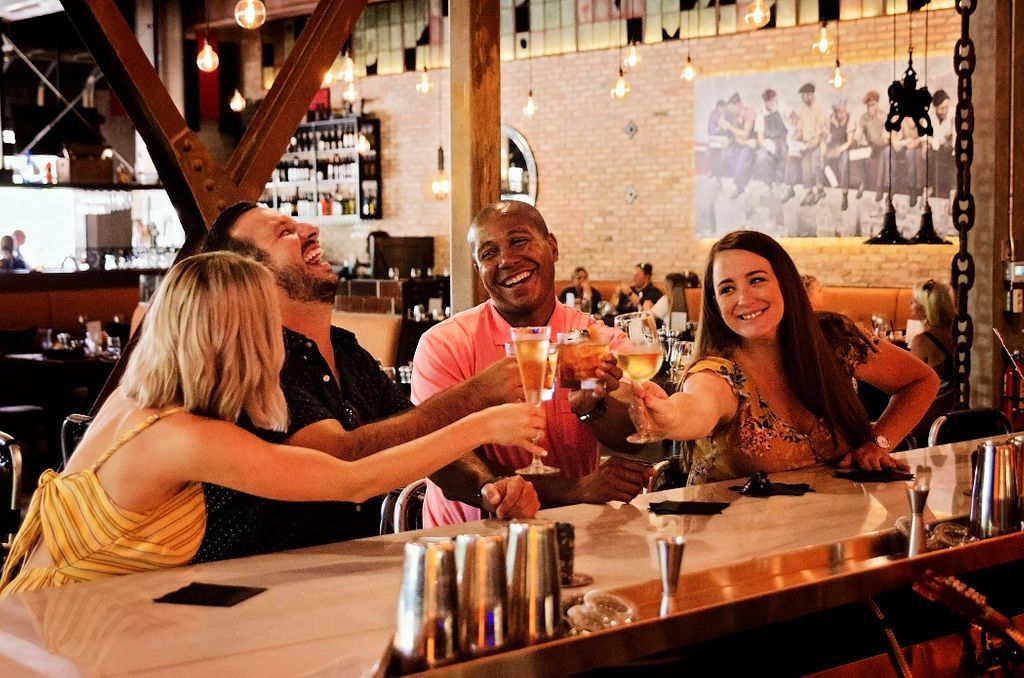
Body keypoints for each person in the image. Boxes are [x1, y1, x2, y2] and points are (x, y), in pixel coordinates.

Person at [0, 252, 544, 595]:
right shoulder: (181, 437)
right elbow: (351, 479)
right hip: (67, 629)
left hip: (54, 614)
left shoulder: (133, 402)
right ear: (244, 334)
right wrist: (480, 424)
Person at [196, 203, 539, 562]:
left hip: (337, 580)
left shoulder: (346, 350)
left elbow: (422, 441)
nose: (310, 230)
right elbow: (345, 461)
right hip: (249, 586)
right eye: (285, 232)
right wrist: (475, 398)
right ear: (253, 275)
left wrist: (487, 489)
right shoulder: (255, 362)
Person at [412, 200, 652, 527]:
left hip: (575, 537)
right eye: (488, 253)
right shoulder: (445, 344)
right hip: (468, 543)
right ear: (477, 268)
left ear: (551, 247)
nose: (507, 260)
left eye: (519, 241)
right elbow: (441, 457)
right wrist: (576, 489)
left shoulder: (594, 337)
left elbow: (629, 438)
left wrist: (591, 409)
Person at [635, 231, 939, 484]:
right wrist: (669, 417)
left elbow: (920, 380)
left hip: (831, 534)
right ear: (715, 304)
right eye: (727, 289)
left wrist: (878, 443)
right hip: (733, 546)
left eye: (756, 280)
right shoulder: (718, 371)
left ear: (785, 282)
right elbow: (698, 407)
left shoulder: (833, 337)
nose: (744, 299)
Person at [908, 279, 956, 442]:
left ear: (925, 307)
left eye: (914, 301)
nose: (910, 304)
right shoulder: (962, 334)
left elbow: (909, 386)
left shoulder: (922, 342)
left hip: (930, 423)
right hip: (959, 415)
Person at [782, 83, 828, 206]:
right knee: (790, 156)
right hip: (805, 143)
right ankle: (789, 188)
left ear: (811, 95)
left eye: (805, 95)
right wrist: (794, 139)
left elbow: (820, 135)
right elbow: (800, 131)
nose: (803, 98)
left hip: (818, 143)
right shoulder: (803, 110)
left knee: (807, 157)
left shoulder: (819, 109)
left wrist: (808, 146)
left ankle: (810, 191)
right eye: (802, 96)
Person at [721, 93, 757, 199]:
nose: (730, 111)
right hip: (739, 143)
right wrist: (729, 139)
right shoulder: (735, 116)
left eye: (731, 108)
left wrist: (730, 127)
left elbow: (745, 135)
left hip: (751, 144)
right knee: (730, 153)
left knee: (744, 156)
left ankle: (739, 186)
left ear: (737, 104)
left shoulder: (749, 112)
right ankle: (740, 181)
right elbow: (735, 134)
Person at [753, 89, 788, 189]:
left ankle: (779, 181)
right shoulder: (761, 115)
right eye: (767, 101)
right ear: (764, 102)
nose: (770, 103)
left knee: (783, 153)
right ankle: (768, 182)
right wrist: (768, 145)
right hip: (767, 142)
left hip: (781, 141)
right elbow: (760, 138)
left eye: (771, 100)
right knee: (762, 157)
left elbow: (788, 128)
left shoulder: (781, 111)